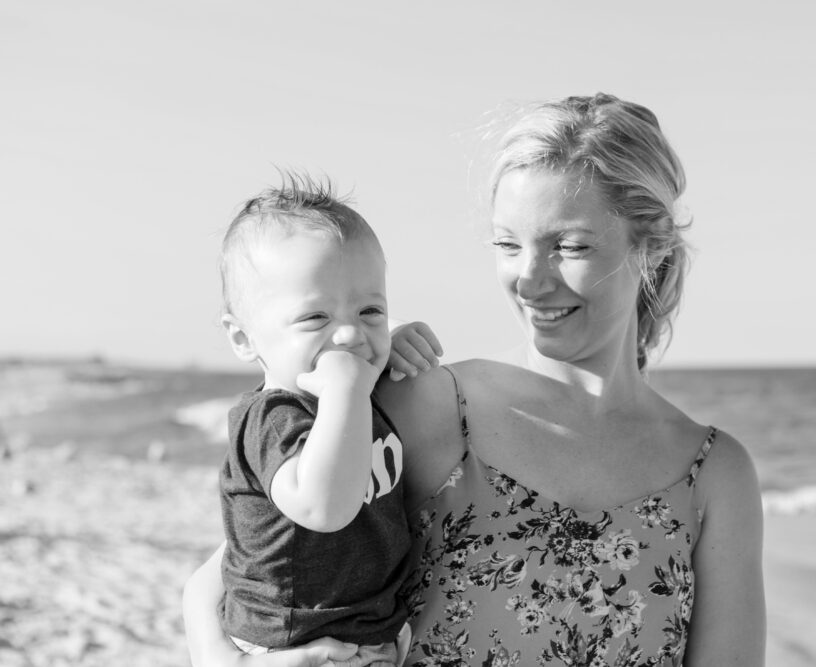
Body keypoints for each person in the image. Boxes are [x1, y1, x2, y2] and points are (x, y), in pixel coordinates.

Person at [184, 93, 766, 667]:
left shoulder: (714, 475)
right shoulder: (423, 403)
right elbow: (238, 573)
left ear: (652, 245)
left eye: (568, 246)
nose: (529, 281)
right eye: (509, 245)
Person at [209, 173, 436, 666]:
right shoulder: (271, 419)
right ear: (245, 339)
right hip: (293, 644)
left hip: (365, 638)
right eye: (315, 319)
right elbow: (325, 507)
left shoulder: (354, 391)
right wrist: (348, 387)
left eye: (371, 308)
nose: (349, 335)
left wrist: (390, 340)